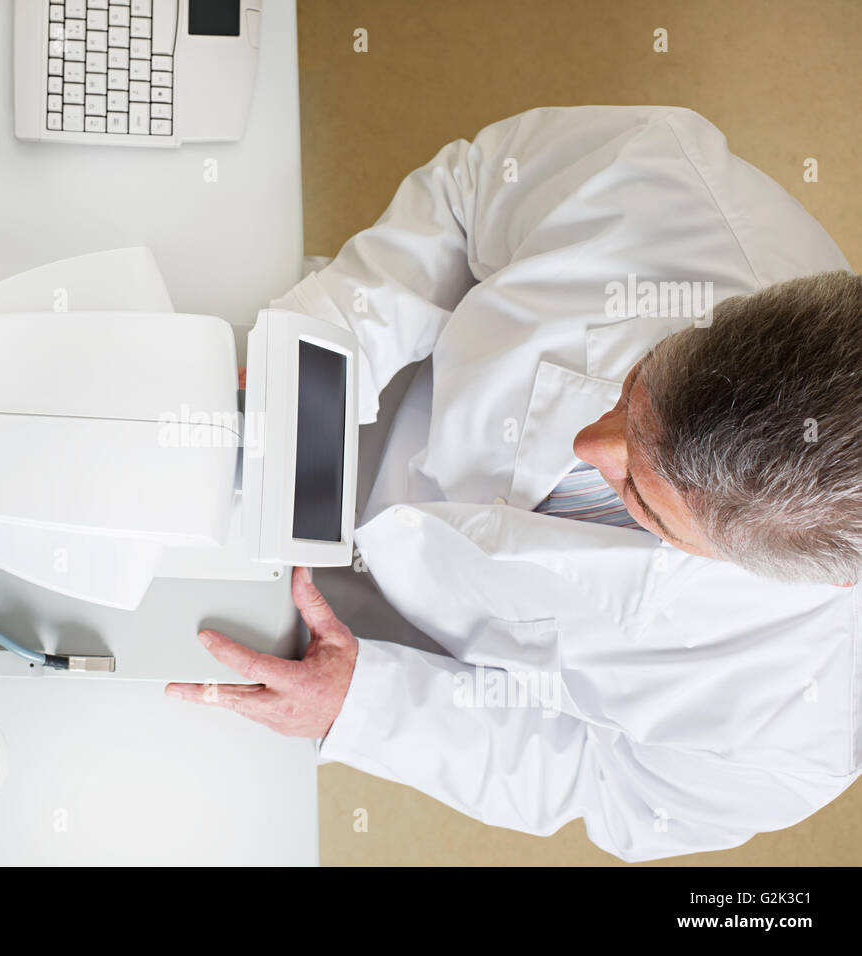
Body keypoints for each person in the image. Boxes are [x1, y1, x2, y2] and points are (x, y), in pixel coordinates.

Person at [167, 105, 862, 862]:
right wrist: (318, 361)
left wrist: (364, 703)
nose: (587, 442)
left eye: (641, 499)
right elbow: (469, 202)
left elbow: (597, 779)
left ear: (747, 565)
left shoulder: (794, 736)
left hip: (365, 644)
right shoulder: (667, 182)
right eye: (632, 391)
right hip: (350, 385)